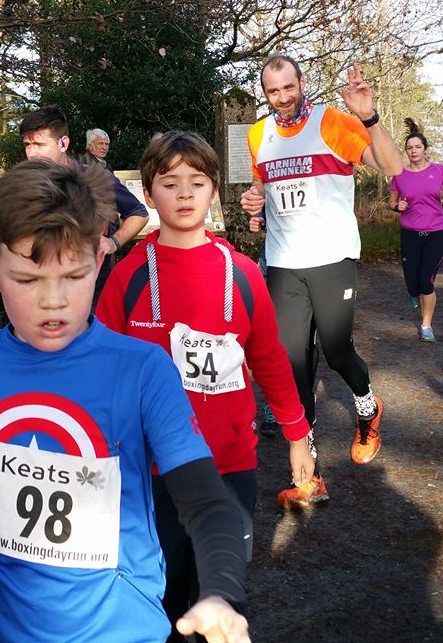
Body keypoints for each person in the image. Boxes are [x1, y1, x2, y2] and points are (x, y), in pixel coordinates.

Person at [0, 159, 252, 643]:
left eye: (74, 275)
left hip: (127, 633)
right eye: (27, 280)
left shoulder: (142, 370)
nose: (54, 300)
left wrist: (220, 593)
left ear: (98, 257)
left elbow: (207, 502)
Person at [96, 132, 319, 641]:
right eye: (169, 183)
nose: (184, 193)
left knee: (222, 596)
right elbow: (101, 371)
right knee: (164, 597)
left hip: (228, 463)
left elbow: (268, 358)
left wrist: (297, 434)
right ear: (149, 195)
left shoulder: (242, 274)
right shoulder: (127, 277)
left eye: (197, 182)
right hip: (149, 471)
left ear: (214, 190)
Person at [239, 56, 403, 472]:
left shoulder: (333, 124)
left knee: (336, 350)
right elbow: (262, 181)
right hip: (282, 263)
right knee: (292, 359)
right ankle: (306, 463)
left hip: (331, 258)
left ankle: (367, 410)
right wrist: (255, 199)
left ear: (301, 82)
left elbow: (393, 167)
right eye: (273, 92)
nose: (282, 99)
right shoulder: (258, 134)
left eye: (288, 88)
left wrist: (369, 118)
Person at [20, 107, 147, 301]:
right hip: (42, 296)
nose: (32, 153)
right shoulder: (22, 185)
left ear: (63, 143)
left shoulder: (95, 178)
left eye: (39, 144)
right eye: (27, 145)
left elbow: (138, 212)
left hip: (94, 295)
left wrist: (114, 242)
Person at [388, 118, 443, 342]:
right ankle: (414, 293)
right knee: (412, 282)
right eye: (409, 148)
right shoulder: (399, 175)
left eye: (417, 147)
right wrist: (396, 206)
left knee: (426, 280)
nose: (413, 151)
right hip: (410, 234)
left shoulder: (439, 170)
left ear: (425, 149)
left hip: (435, 234)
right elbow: (391, 203)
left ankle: (426, 325)